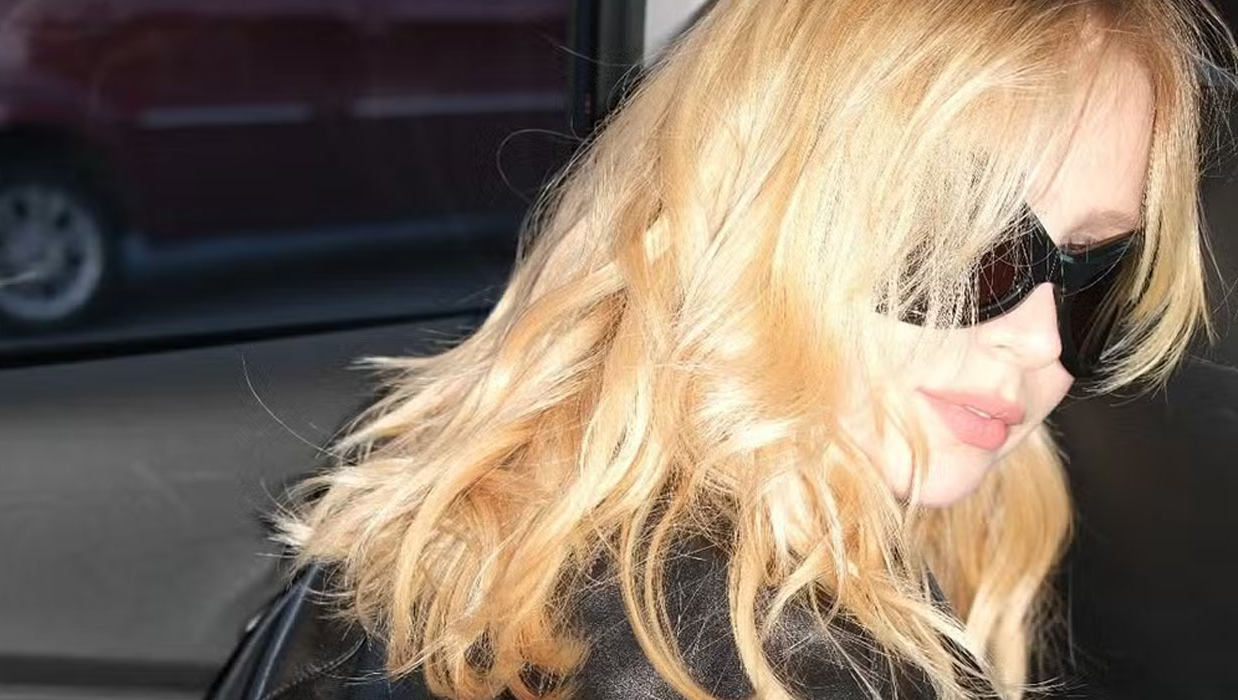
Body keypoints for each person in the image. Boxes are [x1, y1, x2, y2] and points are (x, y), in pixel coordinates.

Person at [209, 1, 1235, 699]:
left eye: (1093, 269)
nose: (1040, 339)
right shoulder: (780, 663)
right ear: (744, 216)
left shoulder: (492, 533)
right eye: (965, 250)